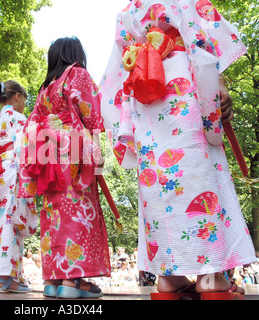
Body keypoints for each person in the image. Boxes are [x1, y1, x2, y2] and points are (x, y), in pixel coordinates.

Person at [99, 0, 257, 299]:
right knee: (197, 170)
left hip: (143, 92)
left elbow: (116, 71)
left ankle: (167, 280)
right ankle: (211, 278)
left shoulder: (127, 13)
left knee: (157, 181)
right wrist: (217, 84)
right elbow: (199, 35)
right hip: (181, 81)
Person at [18, 37, 111, 298]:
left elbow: (33, 124)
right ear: (75, 54)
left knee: (56, 216)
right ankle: (74, 283)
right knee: (77, 213)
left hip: (48, 158)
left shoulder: (45, 88)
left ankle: (54, 280)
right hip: (73, 155)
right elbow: (92, 115)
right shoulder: (77, 74)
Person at [0, 81, 37, 293]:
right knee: (10, 219)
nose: (24, 105)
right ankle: (6, 279)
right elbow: (27, 149)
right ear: (17, 97)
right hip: (12, 169)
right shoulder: (20, 119)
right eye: (24, 100)